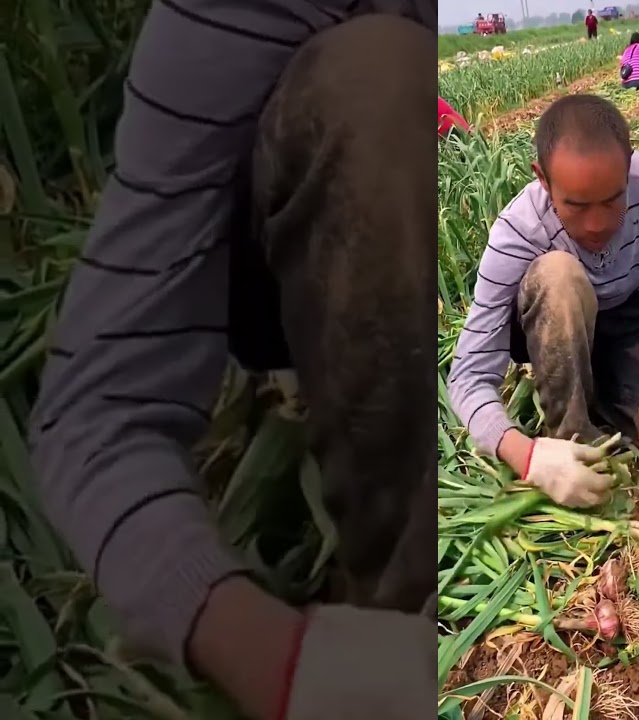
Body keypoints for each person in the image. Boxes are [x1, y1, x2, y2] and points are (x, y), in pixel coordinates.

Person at [29, 5, 441, 720]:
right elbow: (97, 409)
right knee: (374, 85)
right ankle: (421, 629)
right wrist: (287, 666)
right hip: (342, 227)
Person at [446, 94, 639, 508]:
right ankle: (569, 433)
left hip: (622, 315)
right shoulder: (518, 232)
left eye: (612, 200)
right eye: (577, 205)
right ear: (543, 179)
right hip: (554, 314)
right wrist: (527, 456)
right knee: (559, 273)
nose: (598, 223)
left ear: (628, 165)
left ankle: (601, 383)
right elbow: (467, 376)